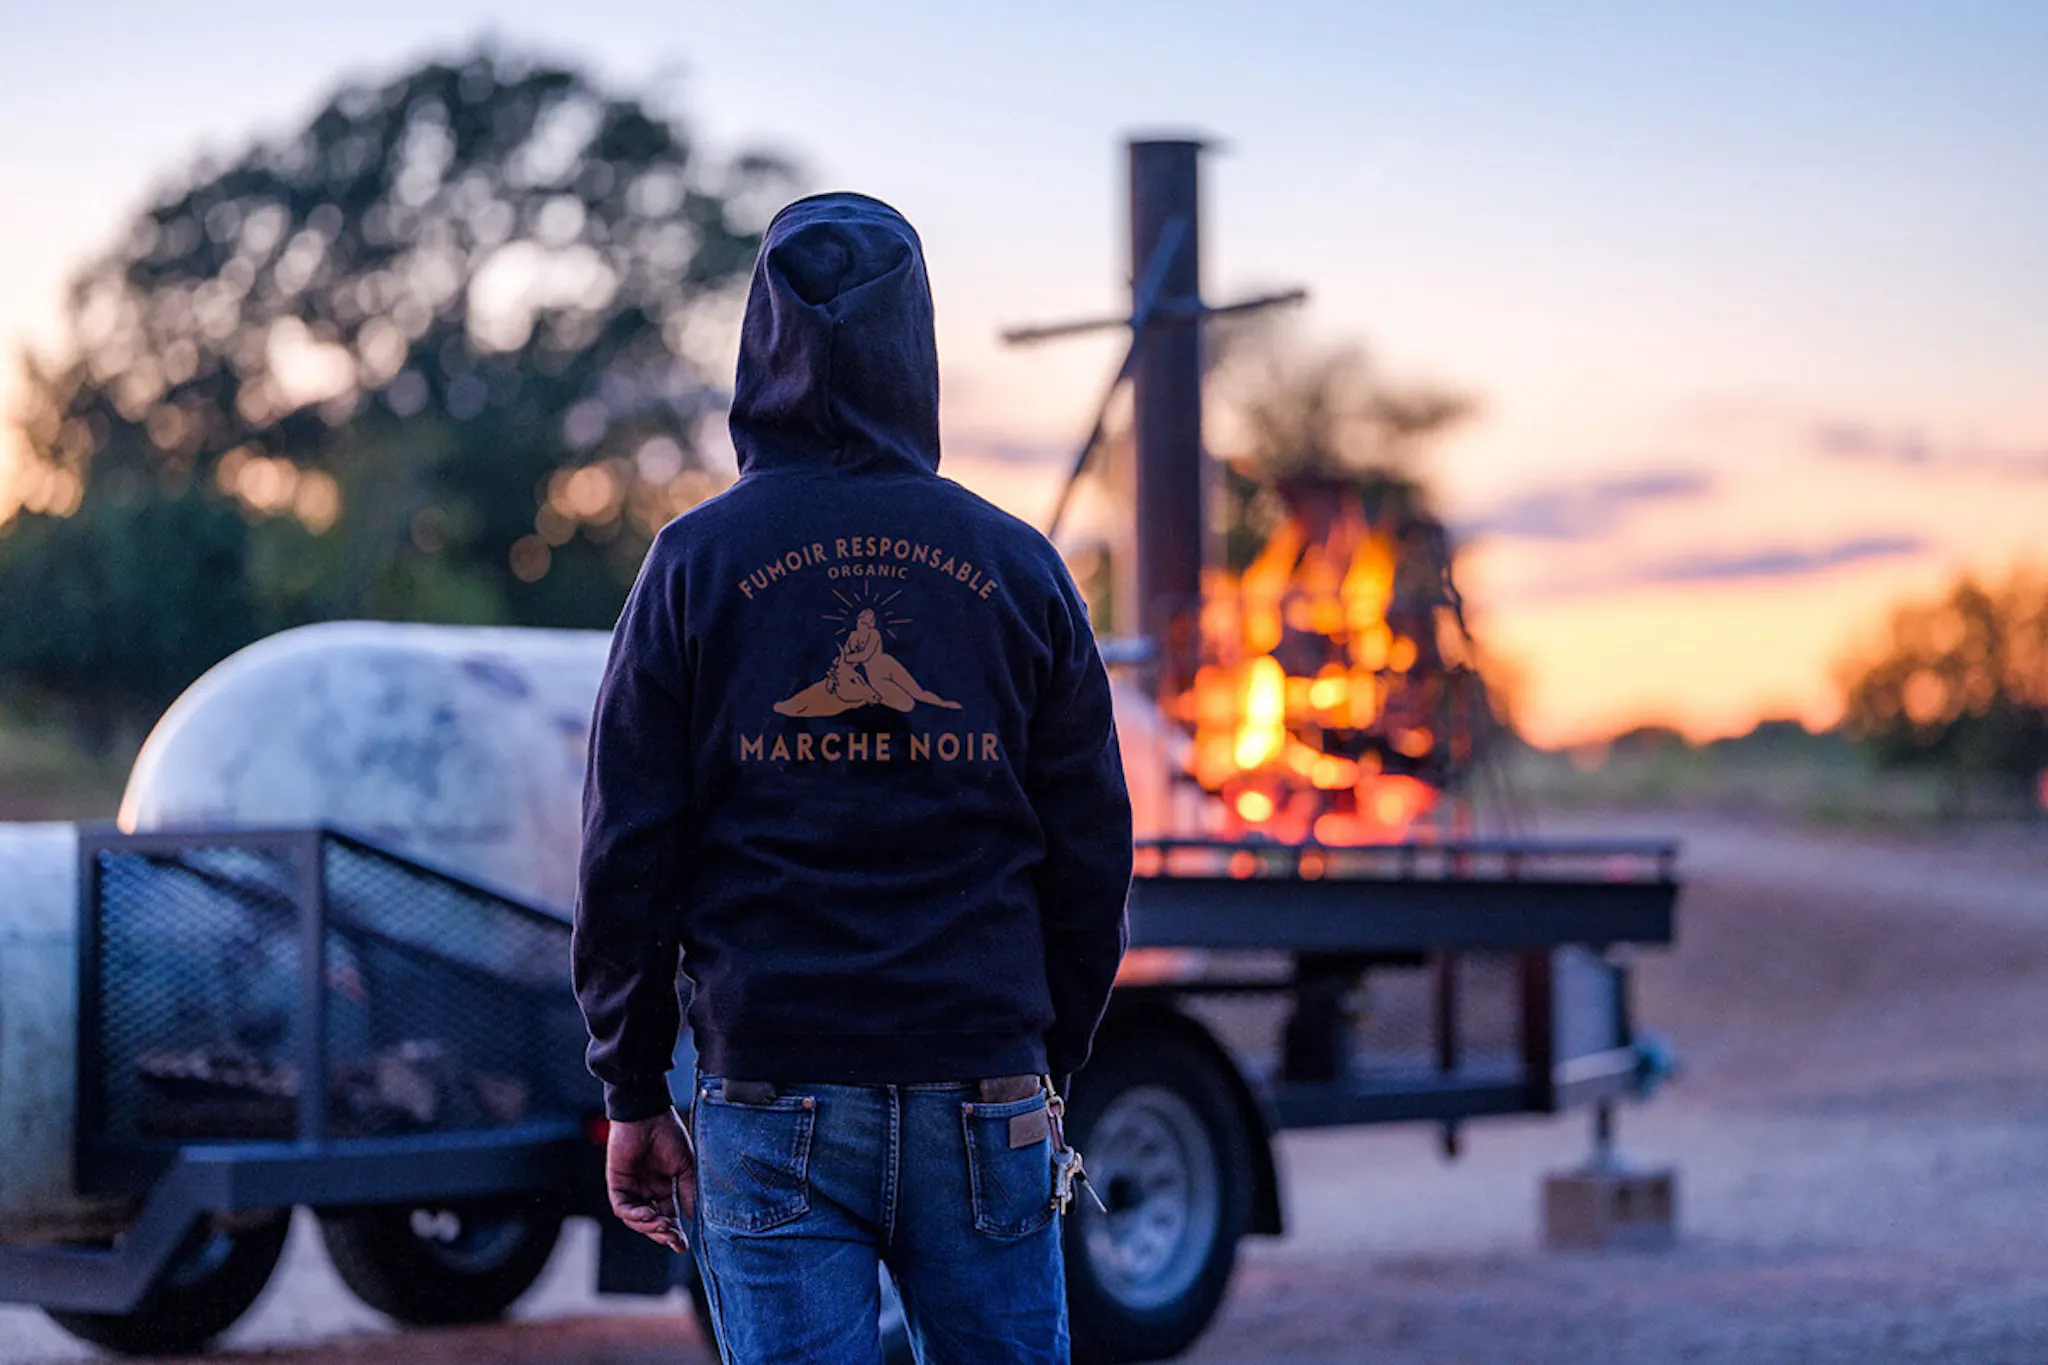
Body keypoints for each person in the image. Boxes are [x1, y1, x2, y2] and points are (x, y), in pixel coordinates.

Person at [571, 191, 1134, 1364]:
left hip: (772, 1081)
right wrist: (1048, 1062)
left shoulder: (692, 564)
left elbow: (628, 847)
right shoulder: (1016, 567)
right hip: (983, 1078)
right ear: (913, 346)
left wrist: (630, 1088)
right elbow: (1092, 855)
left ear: (761, 338)